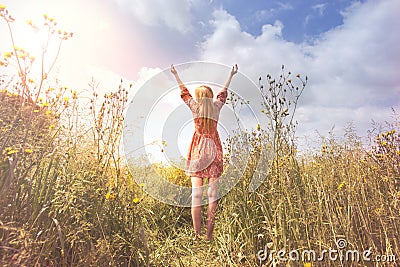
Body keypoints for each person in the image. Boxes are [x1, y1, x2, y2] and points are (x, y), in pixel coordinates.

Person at [171, 63, 238, 241]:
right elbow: (223, 93)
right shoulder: (216, 107)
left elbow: (184, 92)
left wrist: (176, 74)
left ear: (199, 97)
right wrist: (231, 75)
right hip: (214, 150)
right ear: (210, 96)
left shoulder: (195, 107)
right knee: (212, 195)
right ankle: (209, 236)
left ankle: (197, 236)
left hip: (198, 151)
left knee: (197, 195)